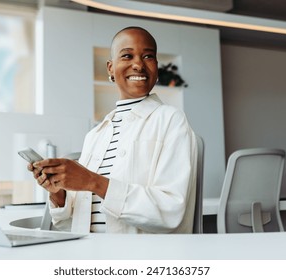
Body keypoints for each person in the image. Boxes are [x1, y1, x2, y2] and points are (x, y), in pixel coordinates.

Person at [28, 26, 197, 234]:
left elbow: (171, 211)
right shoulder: (95, 136)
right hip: (90, 256)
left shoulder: (171, 119)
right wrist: (58, 194)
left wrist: (92, 181)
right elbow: (70, 225)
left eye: (148, 56)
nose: (138, 64)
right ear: (110, 68)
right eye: (127, 55)